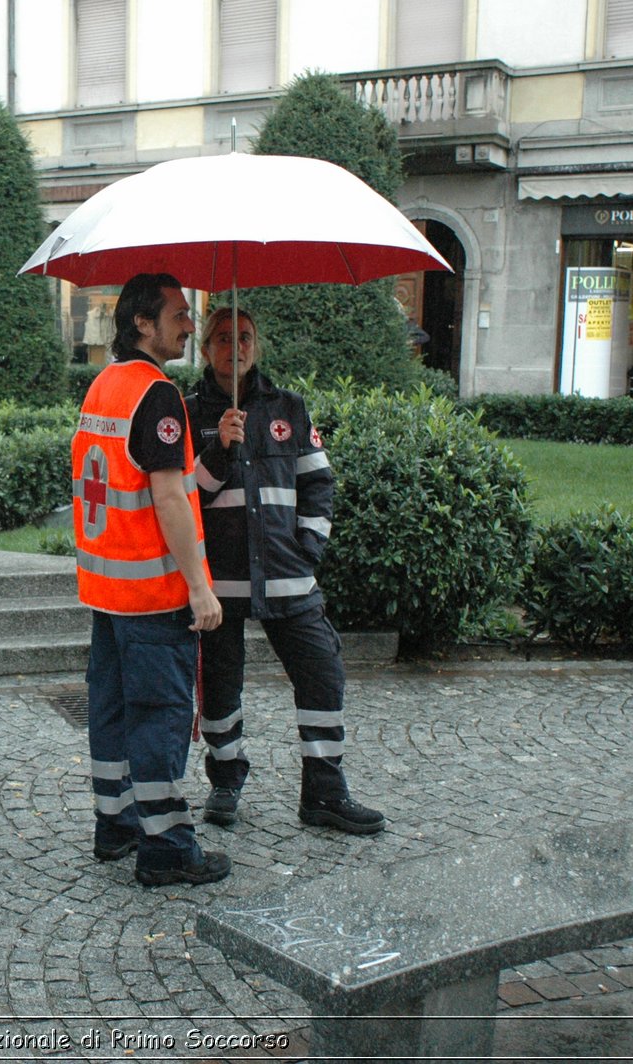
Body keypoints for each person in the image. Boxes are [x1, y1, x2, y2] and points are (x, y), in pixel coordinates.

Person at [185, 306, 384, 836]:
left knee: (323, 671)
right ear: (206, 349)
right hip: (219, 583)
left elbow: (319, 482)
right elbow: (183, 500)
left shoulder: (288, 408)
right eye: (223, 338)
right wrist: (216, 448)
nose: (236, 347)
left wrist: (309, 545)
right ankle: (225, 782)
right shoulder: (188, 411)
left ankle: (324, 792)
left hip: (287, 575)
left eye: (245, 337)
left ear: (258, 346)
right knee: (221, 686)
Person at [72, 273, 228, 887]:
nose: (190, 325)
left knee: (111, 710)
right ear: (142, 322)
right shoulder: (157, 394)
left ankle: (115, 822)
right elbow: (168, 497)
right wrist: (199, 586)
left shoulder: (104, 385)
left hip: (106, 593)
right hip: (152, 593)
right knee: (161, 715)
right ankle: (165, 847)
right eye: (179, 314)